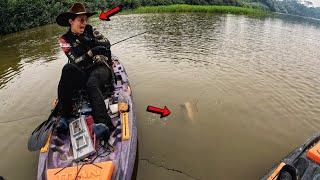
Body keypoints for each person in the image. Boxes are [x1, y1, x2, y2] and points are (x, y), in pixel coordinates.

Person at [55, 2, 115, 133]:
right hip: (82, 71)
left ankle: (104, 125)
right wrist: (90, 53)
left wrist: (92, 41)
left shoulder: (90, 29)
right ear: (71, 21)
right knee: (67, 69)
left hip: (100, 68)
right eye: (81, 20)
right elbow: (75, 61)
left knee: (92, 83)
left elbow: (107, 43)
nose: (84, 22)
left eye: (86, 19)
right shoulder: (64, 40)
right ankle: (64, 116)